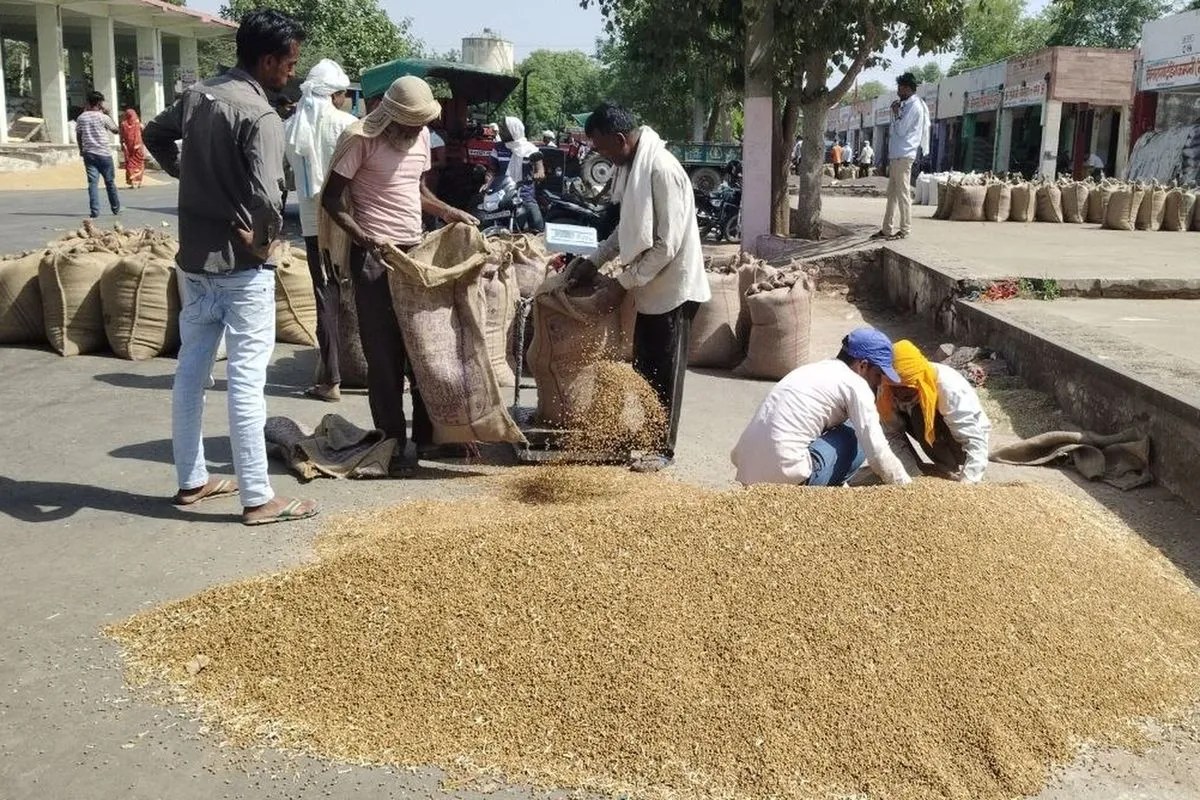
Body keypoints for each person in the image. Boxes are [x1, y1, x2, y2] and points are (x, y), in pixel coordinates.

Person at [143, 9, 318, 525]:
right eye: (289, 63)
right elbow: (268, 198)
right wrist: (263, 244)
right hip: (241, 271)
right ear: (267, 61)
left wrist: (188, 176)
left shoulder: (199, 96)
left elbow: (154, 134)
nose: (291, 72)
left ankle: (191, 480)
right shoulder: (260, 115)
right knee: (245, 381)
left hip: (194, 263)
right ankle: (259, 497)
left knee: (190, 373)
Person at [319, 76, 478, 470]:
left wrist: (447, 211)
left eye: (420, 125)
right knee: (384, 355)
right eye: (408, 125)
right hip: (374, 258)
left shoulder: (421, 137)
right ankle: (391, 443)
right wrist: (365, 239)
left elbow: (416, 191)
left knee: (424, 348)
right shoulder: (361, 140)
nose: (414, 132)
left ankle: (428, 438)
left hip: (415, 253)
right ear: (389, 116)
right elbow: (332, 199)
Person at [565, 102, 711, 473]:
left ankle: (663, 448)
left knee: (666, 374)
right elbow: (627, 229)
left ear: (620, 139)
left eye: (603, 148)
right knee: (647, 369)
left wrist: (622, 283)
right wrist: (594, 260)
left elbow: (666, 245)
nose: (603, 157)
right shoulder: (632, 168)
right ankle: (646, 435)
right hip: (650, 288)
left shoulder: (661, 169)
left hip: (674, 290)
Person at [732, 328, 912, 487]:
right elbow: (877, 450)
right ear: (863, 365)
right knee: (858, 432)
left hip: (748, 473)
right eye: (878, 375)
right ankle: (829, 492)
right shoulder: (855, 384)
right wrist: (905, 487)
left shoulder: (812, 370)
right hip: (789, 480)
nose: (880, 383)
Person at [284, 58, 357, 404]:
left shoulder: (291, 127)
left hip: (314, 227)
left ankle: (331, 379)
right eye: (342, 94)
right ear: (335, 95)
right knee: (361, 296)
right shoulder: (349, 125)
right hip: (349, 223)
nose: (344, 99)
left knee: (325, 298)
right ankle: (380, 372)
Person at [877, 340, 991, 484]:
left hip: (964, 438)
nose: (900, 393)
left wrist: (967, 483)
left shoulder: (948, 388)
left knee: (919, 414)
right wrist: (909, 477)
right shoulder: (887, 388)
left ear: (918, 380)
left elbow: (974, 440)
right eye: (895, 388)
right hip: (926, 431)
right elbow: (891, 436)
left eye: (907, 387)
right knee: (893, 420)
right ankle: (927, 471)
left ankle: (952, 467)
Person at [873, 72, 930, 241]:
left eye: (900, 88)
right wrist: (897, 112)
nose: (898, 91)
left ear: (908, 88)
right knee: (891, 194)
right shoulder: (906, 105)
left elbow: (902, 129)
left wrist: (897, 112)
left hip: (904, 155)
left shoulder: (915, 106)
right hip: (897, 155)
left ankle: (905, 230)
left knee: (903, 194)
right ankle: (886, 229)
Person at [75, 91, 121, 218]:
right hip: (104, 153)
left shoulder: (81, 118)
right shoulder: (103, 117)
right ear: (100, 103)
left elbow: (79, 135)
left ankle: (94, 210)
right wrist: (108, 114)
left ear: (88, 102)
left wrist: (81, 150)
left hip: (89, 154)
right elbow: (116, 130)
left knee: (92, 183)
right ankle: (115, 208)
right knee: (109, 182)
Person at [498, 116, 545, 233]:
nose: (500, 131)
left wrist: (539, 174)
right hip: (502, 195)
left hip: (525, 194)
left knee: (538, 227)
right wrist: (488, 180)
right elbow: (492, 170)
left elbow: (540, 169)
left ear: (513, 130)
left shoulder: (531, 150)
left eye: (503, 129)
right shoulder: (498, 148)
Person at [119, 108, 146, 189]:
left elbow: (121, 136)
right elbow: (144, 132)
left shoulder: (123, 124)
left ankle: (133, 182)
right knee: (139, 164)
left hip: (128, 148)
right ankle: (138, 181)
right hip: (138, 148)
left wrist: (122, 144)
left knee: (130, 164)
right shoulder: (139, 124)